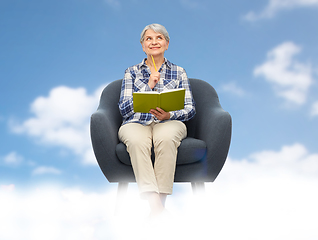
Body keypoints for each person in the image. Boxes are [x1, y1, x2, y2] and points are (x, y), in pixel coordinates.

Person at [118, 23, 196, 217]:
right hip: (136, 122)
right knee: (136, 141)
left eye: (159, 38)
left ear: (167, 44)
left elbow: (190, 108)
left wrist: (170, 115)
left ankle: (157, 210)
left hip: (169, 122)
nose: (154, 42)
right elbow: (124, 108)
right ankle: (157, 209)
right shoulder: (131, 72)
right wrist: (148, 86)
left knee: (167, 138)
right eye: (149, 39)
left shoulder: (179, 72)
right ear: (143, 46)